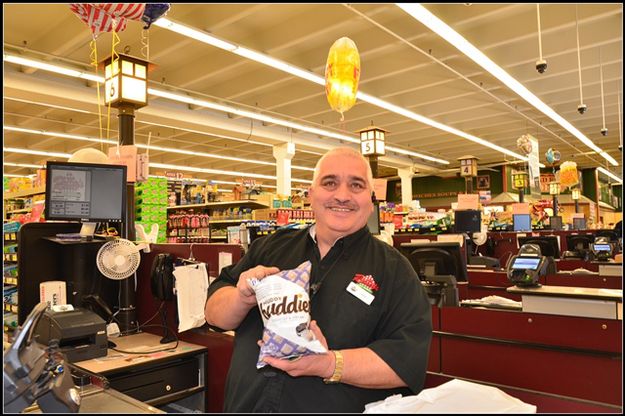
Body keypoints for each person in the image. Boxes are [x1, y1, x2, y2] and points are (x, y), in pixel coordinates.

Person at [205, 147, 432, 413]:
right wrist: (241, 298)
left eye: (356, 185)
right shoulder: (270, 248)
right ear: (311, 194)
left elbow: (407, 364)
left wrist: (329, 364)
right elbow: (213, 315)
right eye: (330, 183)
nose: (342, 195)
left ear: (370, 200)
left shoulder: (395, 271)